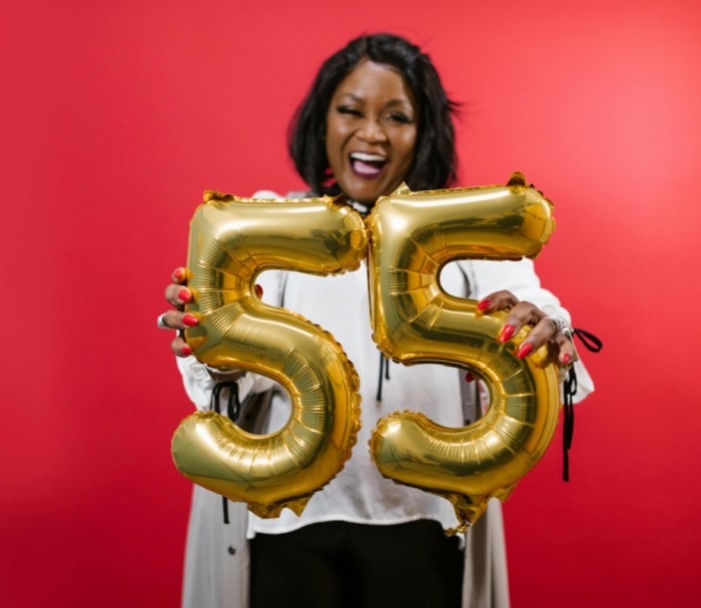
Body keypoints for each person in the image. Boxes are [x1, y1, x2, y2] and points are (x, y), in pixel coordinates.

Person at [158, 33, 594, 608]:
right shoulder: (268, 230)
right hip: (287, 527)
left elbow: (535, 306)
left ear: (424, 132)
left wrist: (544, 326)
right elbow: (232, 387)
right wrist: (206, 338)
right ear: (322, 123)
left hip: (419, 523)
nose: (372, 133)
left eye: (397, 116)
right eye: (351, 111)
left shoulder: (466, 243)